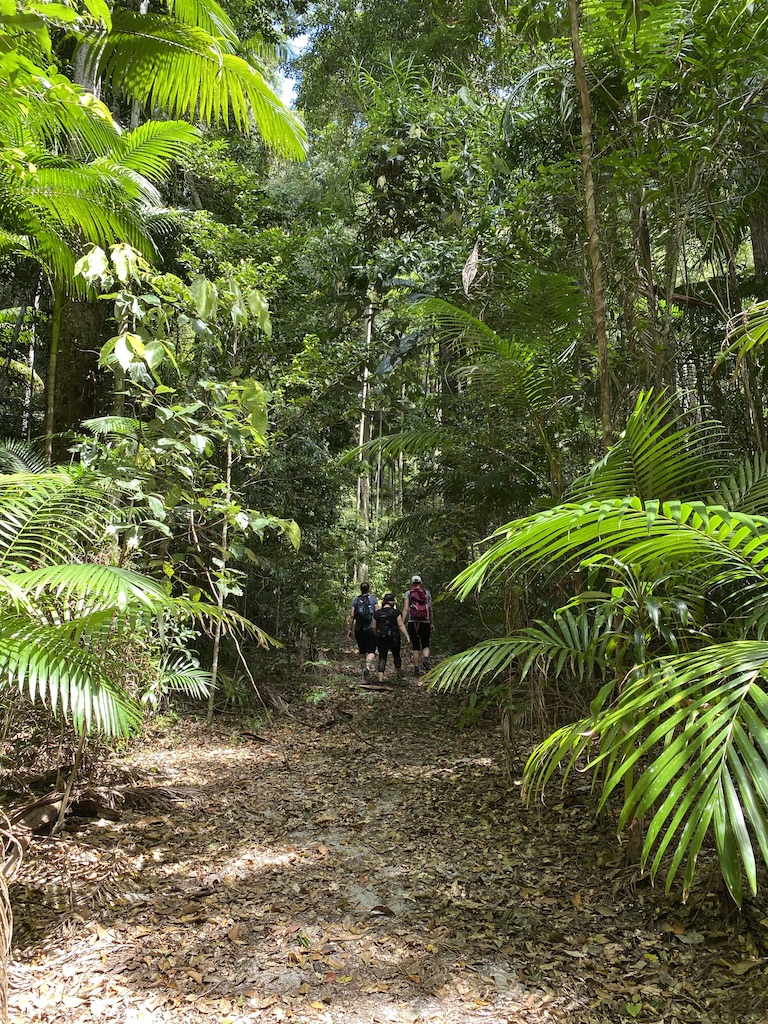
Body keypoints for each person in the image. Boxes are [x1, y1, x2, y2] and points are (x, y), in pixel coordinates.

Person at [374, 593, 410, 685]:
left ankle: (380, 680)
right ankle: (399, 676)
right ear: (392, 602)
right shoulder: (396, 613)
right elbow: (400, 625)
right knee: (396, 656)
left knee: (382, 657)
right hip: (394, 638)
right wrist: (407, 636)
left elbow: (373, 627)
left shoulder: (377, 613)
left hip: (381, 638)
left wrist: (376, 634)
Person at [402, 574, 434, 677]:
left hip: (413, 622)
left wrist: (401, 622)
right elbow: (430, 609)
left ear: (412, 583)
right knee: (425, 643)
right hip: (425, 622)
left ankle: (416, 669)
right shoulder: (427, 593)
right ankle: (426, 658)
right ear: (420, 583)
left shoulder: (408, 593)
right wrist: (432, 623)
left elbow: (406, 609)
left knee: (415, 646)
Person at [347, 582, 379, 680]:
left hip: (359, 629)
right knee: (371, 650)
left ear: (360, 589)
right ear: (368, 589)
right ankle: (368, 667)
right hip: (370, 628)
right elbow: (378, 612)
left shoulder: (355, 600)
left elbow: (352, 616)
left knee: (362, 650)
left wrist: (350, 629)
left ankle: (363, 672)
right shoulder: (373, 599)